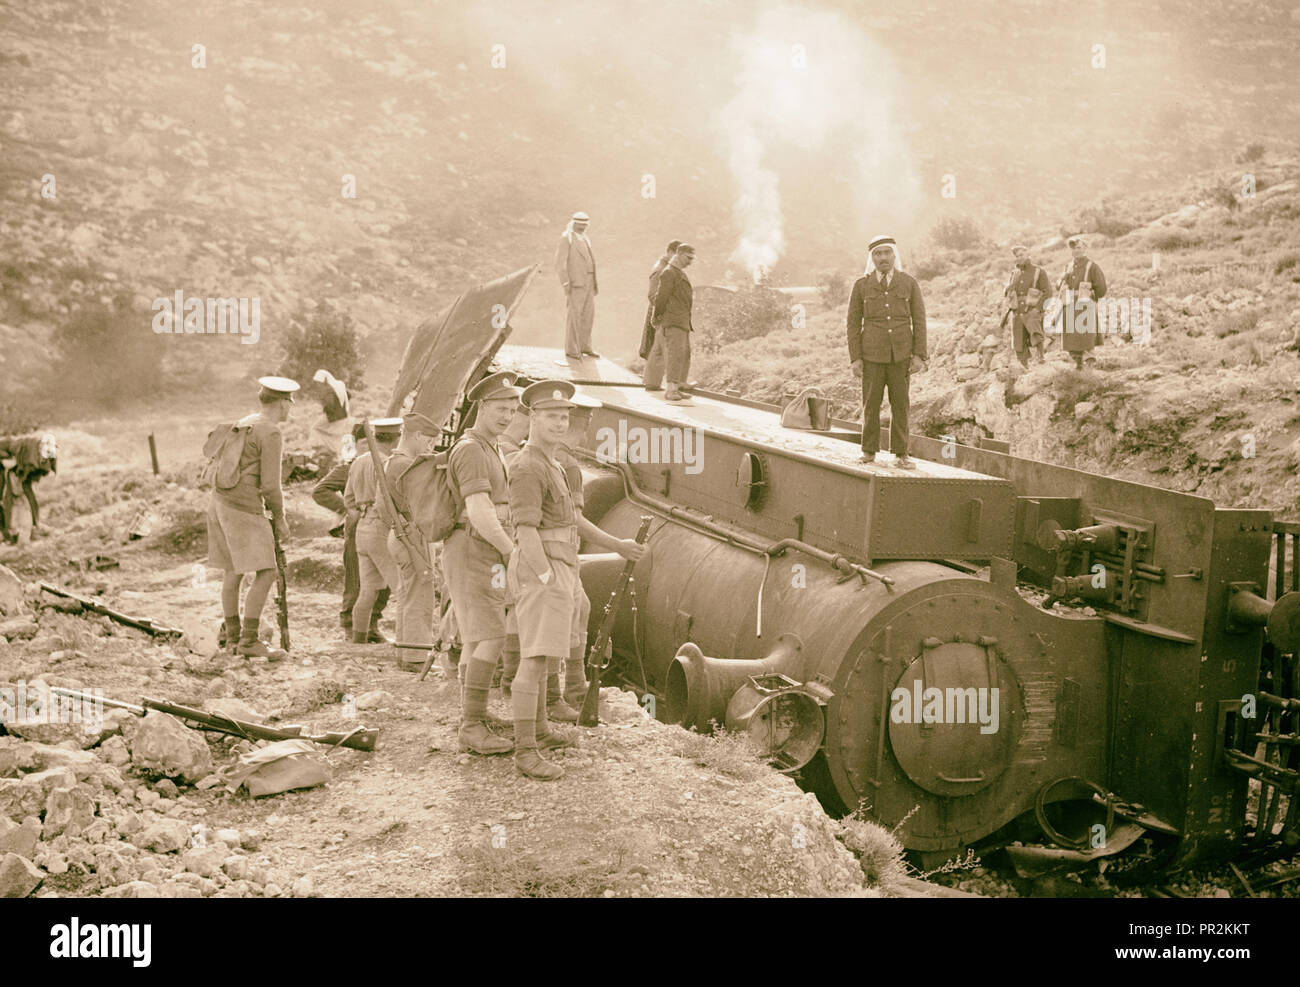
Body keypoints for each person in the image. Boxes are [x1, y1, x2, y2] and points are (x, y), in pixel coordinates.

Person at [506, 380, 645, 779]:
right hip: (544, 567)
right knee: (533, 662)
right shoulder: (528, 465)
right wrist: (547, 575)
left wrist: (617, 544)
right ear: (532, 417)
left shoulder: (552, 463)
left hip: (562, 564)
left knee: (547, 654)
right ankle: (525, 751)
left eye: (564, 416)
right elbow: (526, 530)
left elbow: (574, 519)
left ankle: (541, 731)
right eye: (551, 416)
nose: (560, 423)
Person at [445, 371, 523, 755]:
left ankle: (474, 715)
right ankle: (471, 726)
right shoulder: (473, 449)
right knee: (492, 635)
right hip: (476, 547)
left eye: (512, 409)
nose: (507, 416)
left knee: (477, 636)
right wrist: (511, 551)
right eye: (500, 408)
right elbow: (478, 510)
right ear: (481, 407)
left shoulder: (492, 447)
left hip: (483, 548)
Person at [205, 376, 297, 658]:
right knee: (267, 570)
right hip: (243, 508)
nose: (289, 409)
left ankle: (233, 638)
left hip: (219, 503)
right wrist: (280, 518)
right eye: (289, 404)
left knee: (233, 571)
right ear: (283, 404)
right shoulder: (270, 432)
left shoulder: (246, 421)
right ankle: (248, 642)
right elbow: (270, 486)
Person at [847, 234, 927, 469]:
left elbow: (919, 320)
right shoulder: (862, 285)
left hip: (901, 356)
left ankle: (901, 454)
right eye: (877, 254)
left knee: (900, 403)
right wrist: (855, 358)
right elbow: (852, 323)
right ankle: (868, 451)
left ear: (894, 255)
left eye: (886, 253)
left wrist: (919, 354)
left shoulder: (909, 283)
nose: (883, 258)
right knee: (870, 403)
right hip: (871, 356)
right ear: (872, 258)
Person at [312, 422, 390, 641]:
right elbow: (320, 491)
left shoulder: (384, 464)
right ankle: (350, 626)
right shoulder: (349, 467)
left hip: (381, 529)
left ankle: (371, 626)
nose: (370, 447)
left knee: (380, 582)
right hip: (356, 530)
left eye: (373, 442)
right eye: (365, 443)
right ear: (357, 445)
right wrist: (347, 509)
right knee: (357, 580)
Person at [344, 418, 403, 645]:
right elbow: (385, 502)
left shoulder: (359, 461)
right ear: (396, 437)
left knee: (368, 589)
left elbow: (349, 499)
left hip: (363, 526)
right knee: (402, 588)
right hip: (381, 526)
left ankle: (358, 638)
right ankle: (407, 641)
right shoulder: (387, 462)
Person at [384, 413, 438, 648]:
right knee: (420, 596)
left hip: (401, 532)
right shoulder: (406, 465)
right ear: (416, 436)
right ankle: (416, 653)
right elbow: (423, 504)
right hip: (412, 534)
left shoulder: (393, 462)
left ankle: (406, 651)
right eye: (428, 441)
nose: (430, 447)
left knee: (408, 593)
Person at [648, 243, 696, 403]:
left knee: (681, 353)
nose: (690, 261)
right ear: (679, 254)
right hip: (673, 320)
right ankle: (671, 389)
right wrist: (656, 316)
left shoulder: (677, 272)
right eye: (688, 258)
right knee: (675, 354)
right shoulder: (669, 273)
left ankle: (676, 387)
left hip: (681, 320)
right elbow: (660, 298)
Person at [1057, 234, 1108, 369]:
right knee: (1072, 335)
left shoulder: (1092, 266)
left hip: (1085, 305)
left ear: (1085, 248)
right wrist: (1063, 279)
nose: (1076, 250)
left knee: (1086, 334)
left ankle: (1089, 364)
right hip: (1069, 305)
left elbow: (1101, 287)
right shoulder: (1068, 266)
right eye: (1074, 248)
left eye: (1079, 247)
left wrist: (1092, 296)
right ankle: (1078, 363)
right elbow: (1058, 285)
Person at [555, 211, 599, 360]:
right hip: (576, 283)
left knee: (588, 316)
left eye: (584, 225)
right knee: (574, 316)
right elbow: (560, 263)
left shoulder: (586, 239)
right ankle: (572, 349)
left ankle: (585, 346)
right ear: (573, 224)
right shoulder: (566, 239)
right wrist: (566, 282)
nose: (582, 227)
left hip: (589, 282)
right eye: (579, 224)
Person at [0, 432, 56, 543]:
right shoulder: (25, 453)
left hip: (15, 465)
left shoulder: (35, 452)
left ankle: (31, 526)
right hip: (12, 466)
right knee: (11, 499)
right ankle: (9, 530)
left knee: (23, 497)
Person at [641, 239, 682, 385]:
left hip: (662, 312)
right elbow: (653, 294)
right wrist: (660, 313)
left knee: (657, 349)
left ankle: (652, 382)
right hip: (658, 313)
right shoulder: (661, 269)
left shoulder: (668, 267)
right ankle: (652, 382)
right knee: (656, 349)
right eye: (677, 254)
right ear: (670, 252)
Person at [1003, 245, 1050, 368]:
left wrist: (1038, 309)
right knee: (1018, 342)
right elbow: (1009, 292)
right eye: (1017, 256)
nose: (1019, 258)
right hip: (1017, 312)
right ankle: (1024, 366)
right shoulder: (1014, 273)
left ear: (1028, 254)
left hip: (1032, 310)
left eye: (1022, 255)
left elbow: (1047, 292)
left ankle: (1041, 360)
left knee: (1037, 336)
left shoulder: (1038, 271)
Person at [307, 369, 351, 469]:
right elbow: (349, 395)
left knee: (315, 428)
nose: (318, 385)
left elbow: (329, 405)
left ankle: (324, 450)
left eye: (319, 383)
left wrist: (326, 410)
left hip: (334, 417)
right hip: (343, 416)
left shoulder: (328, 390)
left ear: (324, 381)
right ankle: (330, 452)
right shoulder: (338, 385)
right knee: (336, 436)